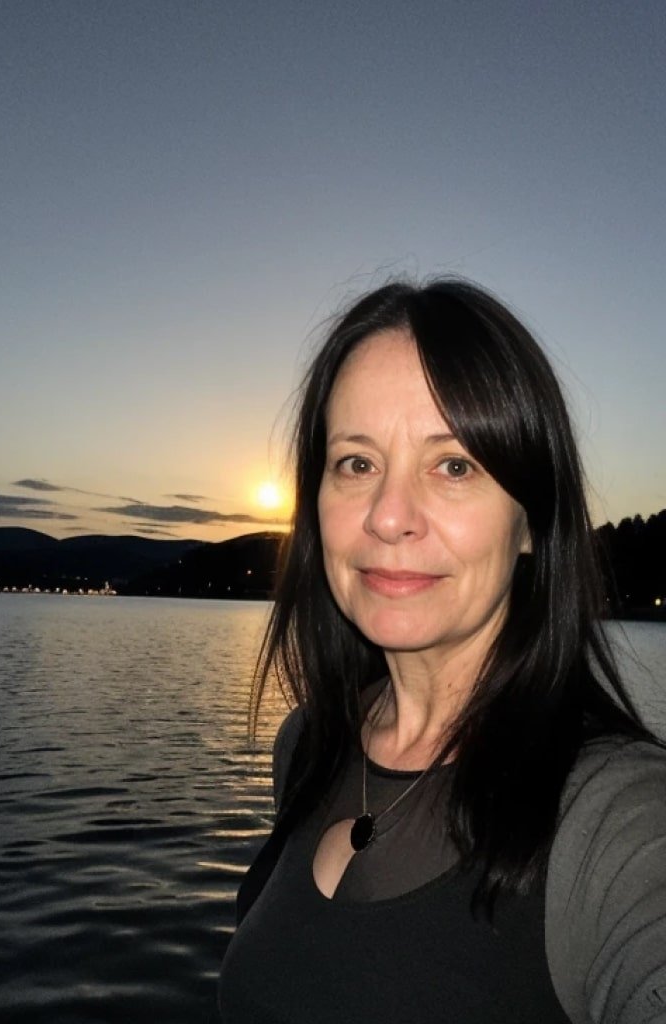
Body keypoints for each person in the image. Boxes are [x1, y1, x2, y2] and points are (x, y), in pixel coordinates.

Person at [218, 279, 666, 1023]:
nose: (389, 516)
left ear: (533, 522)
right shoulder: (308, 745)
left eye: (454, 465)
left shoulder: (618, 820)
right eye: (356, 464)